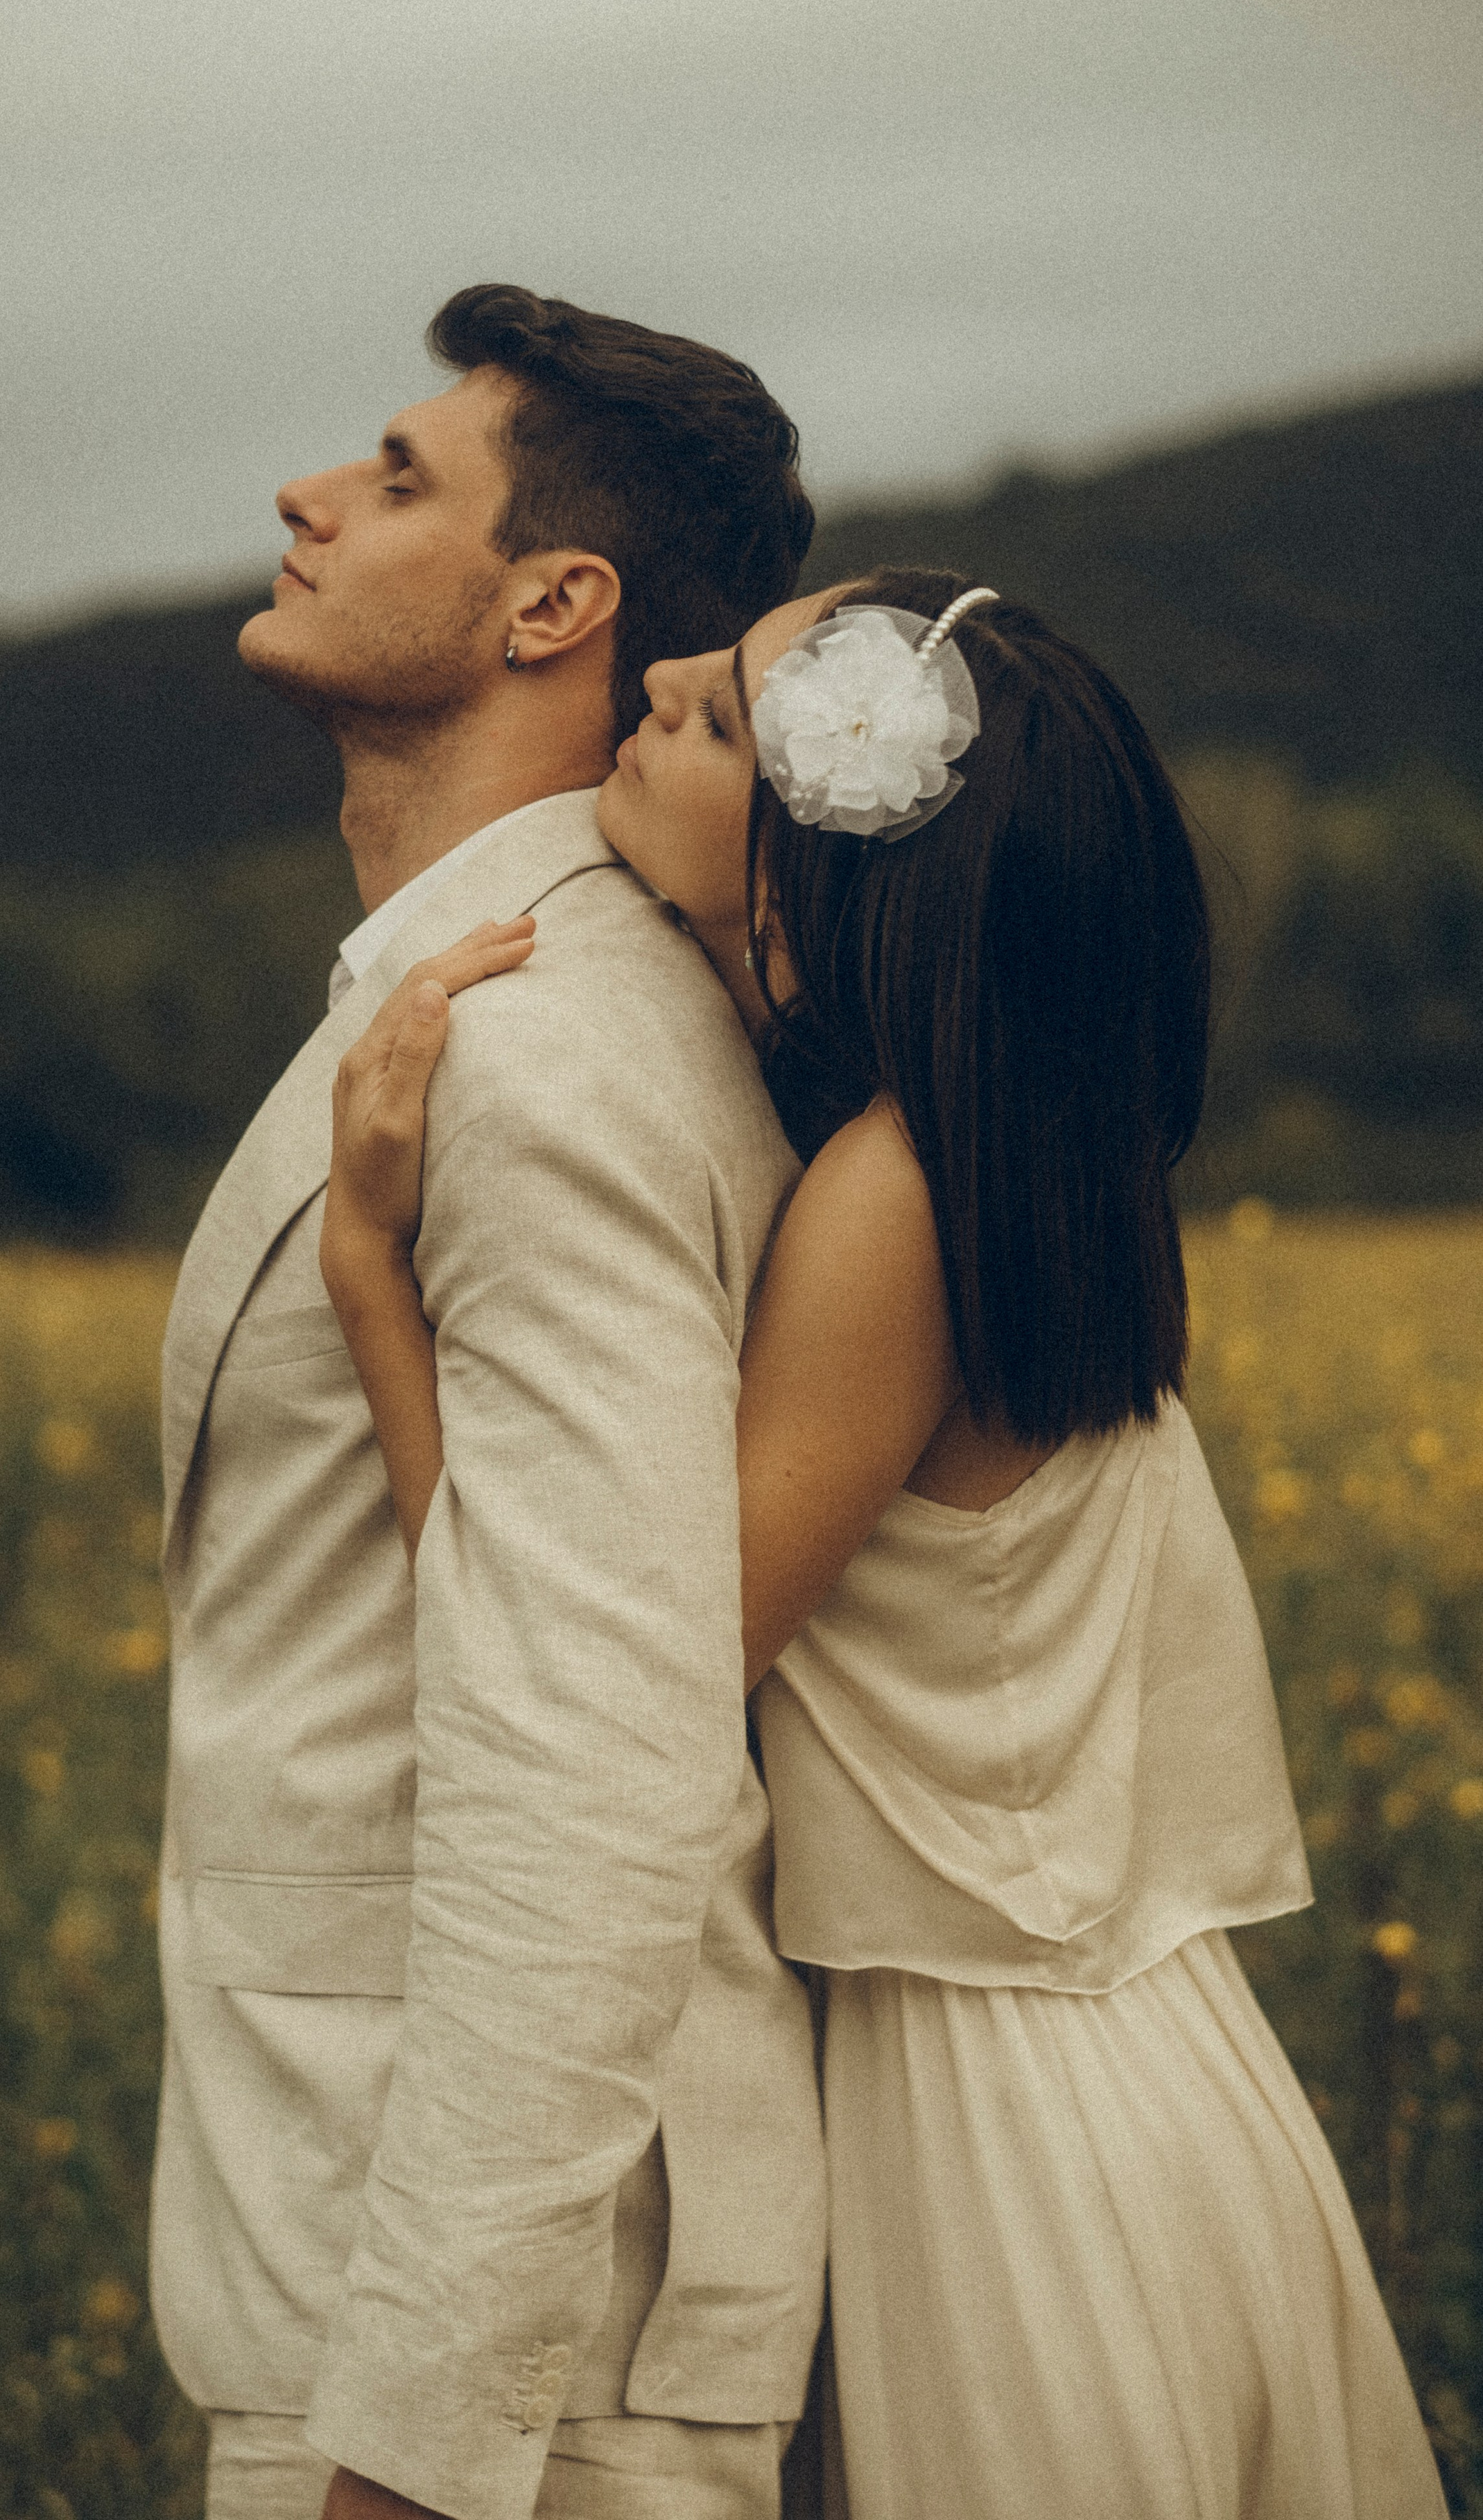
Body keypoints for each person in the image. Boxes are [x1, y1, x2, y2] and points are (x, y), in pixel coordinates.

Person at [322, 566, 1450, 2518]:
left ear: (812, 874)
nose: (659, 676)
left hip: (1014, 2144)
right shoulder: (999, 1158)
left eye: (719, 719)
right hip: (1147, 2078)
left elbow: (618, 1688)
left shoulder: (883, 1201)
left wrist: (369, 1280)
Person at [148, 285, 830, 2520]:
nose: (310, 495)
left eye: (402, 474)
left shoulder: (539, 1058)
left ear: (559, 601)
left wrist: (428, 2442)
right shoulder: (462, 1014)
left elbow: (597, 1766)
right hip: (367, 2280)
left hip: (504, 2383)